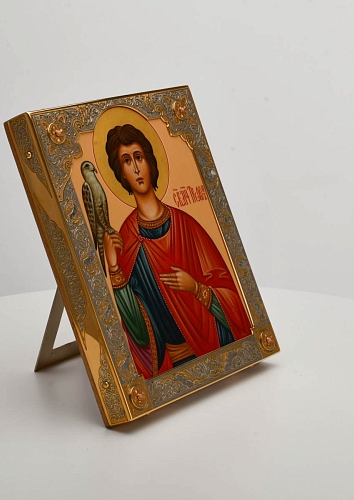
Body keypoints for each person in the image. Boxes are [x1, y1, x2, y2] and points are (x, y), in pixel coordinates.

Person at [103, 124, 252, 379]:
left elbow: (233, 298)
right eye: (127, 161)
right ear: (122, 174)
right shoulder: (125, 240)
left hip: (211, 349)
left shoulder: (187, 226)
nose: (136, 168)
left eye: (139, 157)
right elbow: (138, 332)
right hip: (170, 367)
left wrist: (197, 288)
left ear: (150, 162)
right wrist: (115, 268)